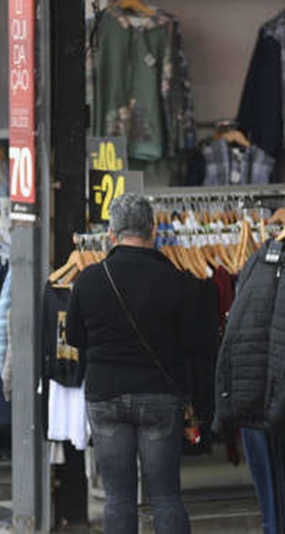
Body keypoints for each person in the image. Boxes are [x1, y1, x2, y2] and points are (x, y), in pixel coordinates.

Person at [66, 194, 193, 534]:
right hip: (159, 395)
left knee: (118, 498)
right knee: (166, 495)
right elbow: (191, 343)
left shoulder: (89, 279)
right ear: (153, 229)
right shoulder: (175, 280)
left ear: (111, 233)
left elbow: (76, 337)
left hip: (105, 394)